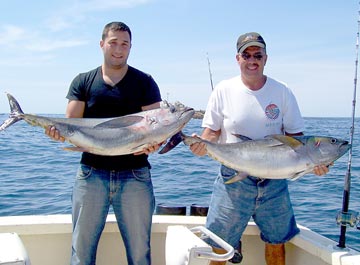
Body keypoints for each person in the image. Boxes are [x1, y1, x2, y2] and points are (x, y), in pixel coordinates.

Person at [189, 32, 329, 265]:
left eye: (258, 55)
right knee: (219, 246)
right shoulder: (224, 90)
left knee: (276, 241)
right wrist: (201, 144)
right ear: (238, 58)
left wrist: (314, 162)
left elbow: (297, 138)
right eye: (247, 55)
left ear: (266, 58)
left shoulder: (282, 91)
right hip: (233, 180)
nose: (252, 60)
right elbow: (211, 133)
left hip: (274, 181)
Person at [46, 21, 162, 265]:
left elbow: (156, 128)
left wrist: (156, 144)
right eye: (113, 43)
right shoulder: (83, 81)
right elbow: (72, 125)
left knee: (140, 252)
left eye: (125, 44)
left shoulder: (145, 82)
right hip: (91, 174)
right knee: (81, 250)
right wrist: (58, 133)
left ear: (131, 47)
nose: (119, 49)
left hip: (135, 175)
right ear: (102, 44)